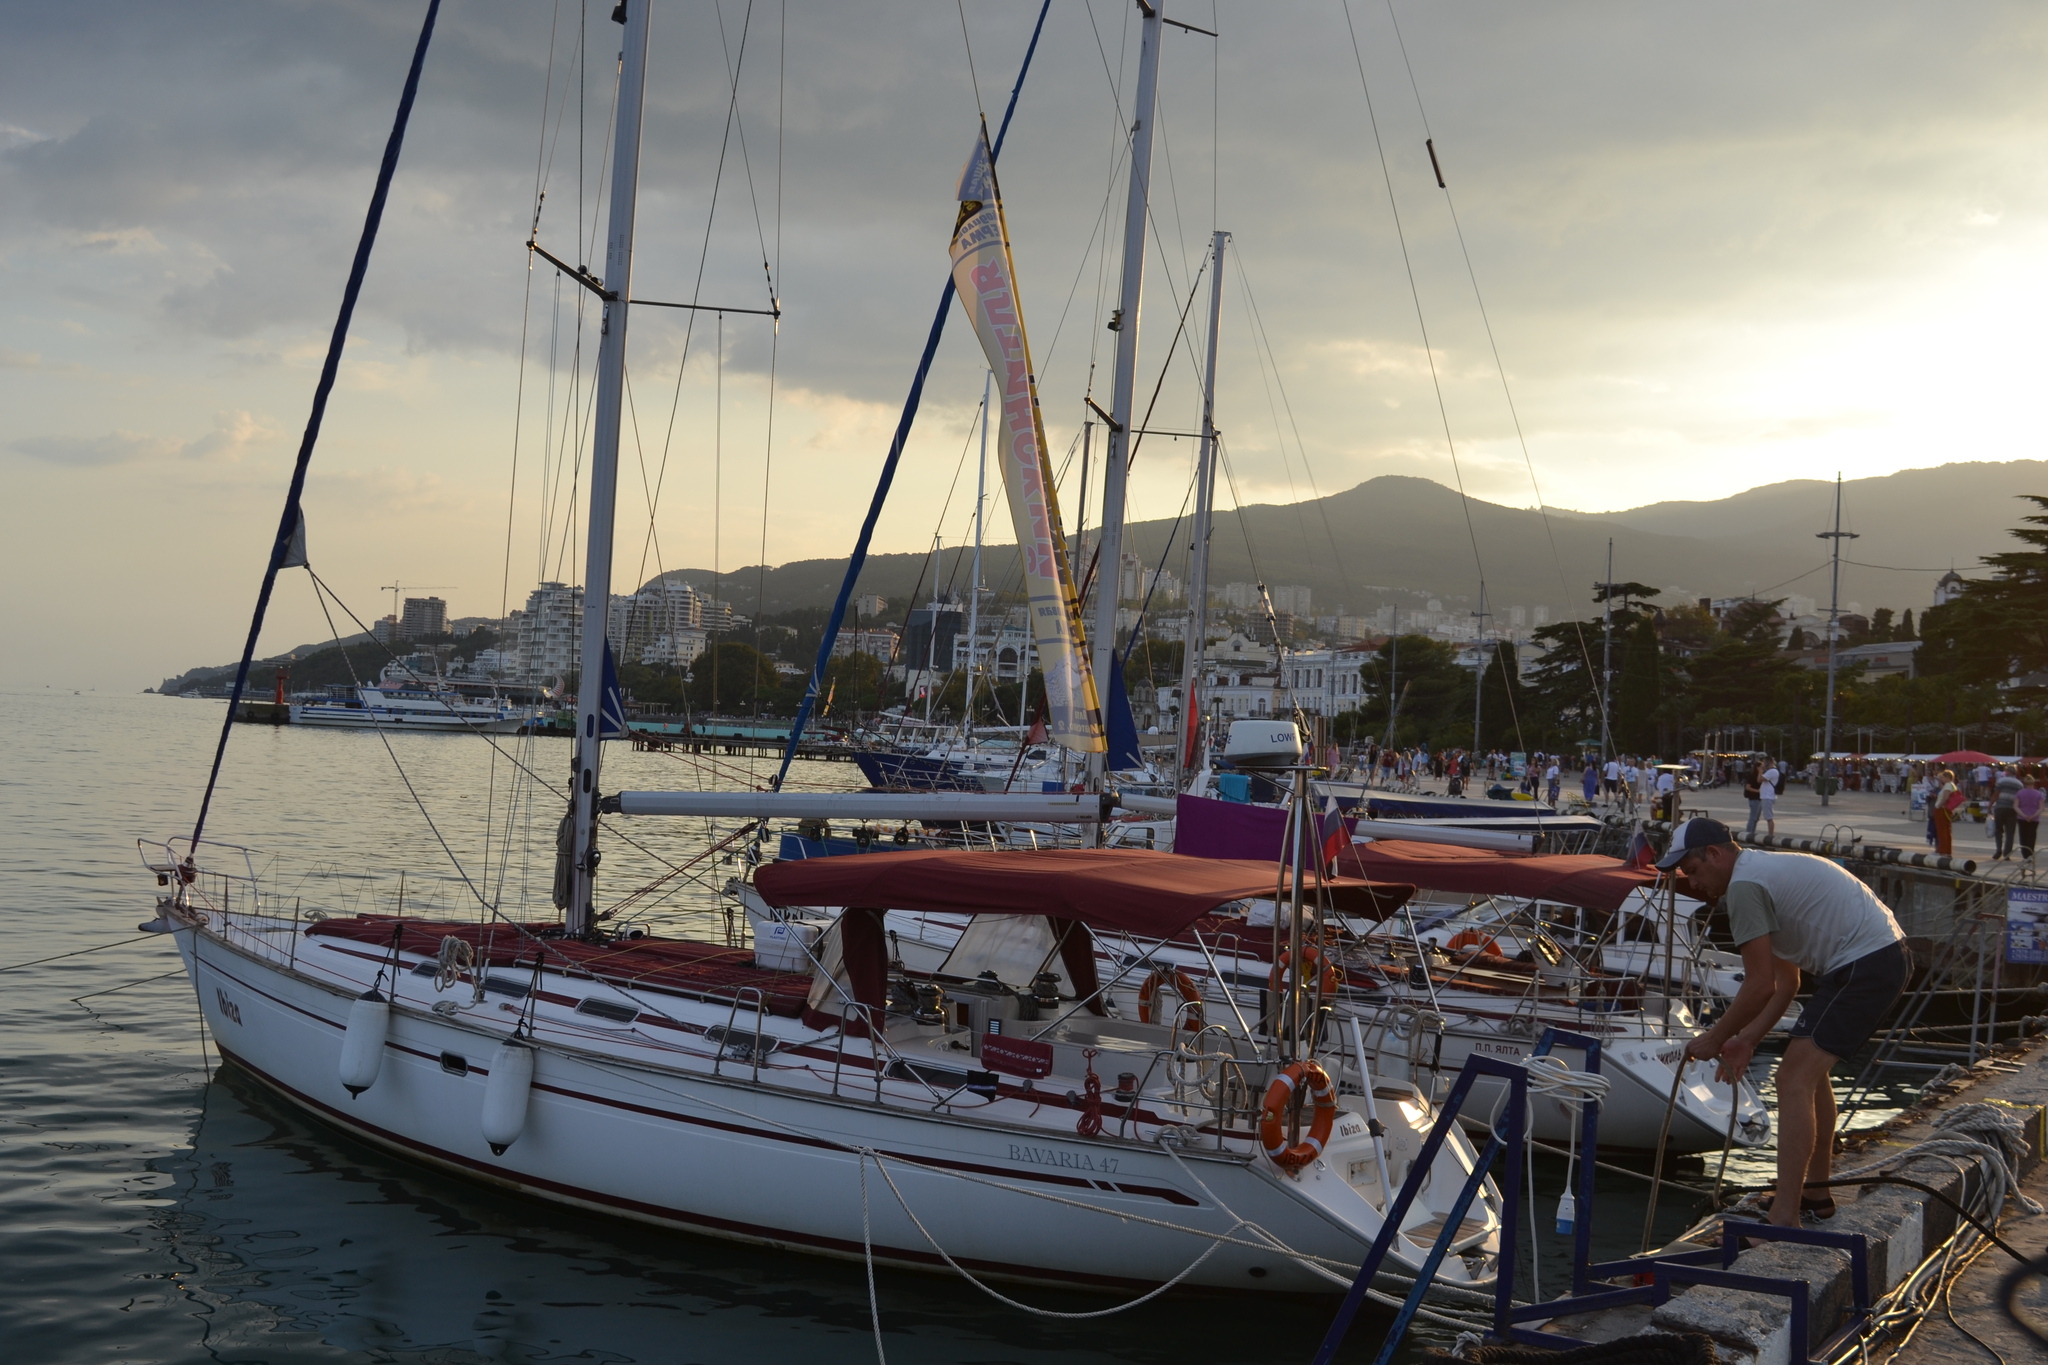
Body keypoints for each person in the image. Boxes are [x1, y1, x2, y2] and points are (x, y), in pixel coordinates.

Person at [1666, 817, 1908, 1230]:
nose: (1693, 883)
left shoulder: (1744, 888)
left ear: (1714, 854)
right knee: (1810, 1076)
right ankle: (1816, 1193)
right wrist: (1746, 1040)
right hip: (1878, 956)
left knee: (1792, 1079)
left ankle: (1783, 1218)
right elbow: (1786, 983)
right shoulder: (1760, 873)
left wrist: (1715, 1037)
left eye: (1692, 870)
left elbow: (1759, 985)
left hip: (1865, 963)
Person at [1992, 766, 2023, 860]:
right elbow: (2019, 798)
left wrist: (1990, 805)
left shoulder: (2001, 781)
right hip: (2012, 809)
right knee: (2010, 833)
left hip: (2000, 807)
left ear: (2009, 771)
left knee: (1998, 830)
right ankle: (2007, 853)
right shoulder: (2019, 784)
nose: (2004, 772)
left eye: (2006, 771)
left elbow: (1996, 794)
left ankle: (1998, 850)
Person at [1932, 767, 1960, 857]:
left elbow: (1945, 797)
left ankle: (1942, 850)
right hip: (1947, 809)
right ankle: (1947, 851)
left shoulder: (1948, 785)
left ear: (1947, 777)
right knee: (1947, 830)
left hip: (1941, 809)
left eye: (1942, 777)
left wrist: (1939, 805)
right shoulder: (1952, 785)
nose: (1941, 779)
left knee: (1941, 830)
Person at [2018, 775, 2043, 864]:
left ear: (2024, 783)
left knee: (2023, 836)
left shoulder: (2020, 793)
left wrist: (2024, 815)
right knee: (2032, 837)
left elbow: (2016, 806)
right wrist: (2033, 816)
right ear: (2033, 783)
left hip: (2022, 818)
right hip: (2034, 819)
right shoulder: (2038, 794)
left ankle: (2025, 855)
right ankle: (2030, 855)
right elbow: (2041, 808)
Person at [1758, 758, 1781, 839]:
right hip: (1766, 795)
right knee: (1768, 816)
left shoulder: (1772, 771)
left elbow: (1759, 779)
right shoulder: (1770, 771)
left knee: (1769, 817)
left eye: (1764, 763)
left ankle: (1771, 834)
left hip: (1768, 796)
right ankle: (1770, 834)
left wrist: (1760, 770)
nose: (1763, 764)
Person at [1743, 765, 1764, 839]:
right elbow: (1747, 787)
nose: (1763, 768)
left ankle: (1752, 832)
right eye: (1761, 767)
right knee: (1753, 817)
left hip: (1759, 798)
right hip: (1754, 798)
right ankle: (1748, 833)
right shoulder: (1752, 776)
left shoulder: (1761, 776)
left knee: (1756, 818)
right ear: (1757, 768)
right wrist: (1757, 791)